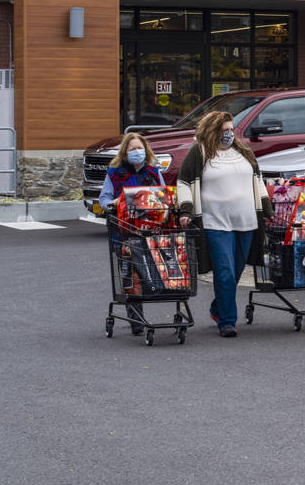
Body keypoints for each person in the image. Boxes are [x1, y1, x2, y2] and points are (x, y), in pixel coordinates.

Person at [175, 112, 271, 337]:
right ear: (213, 130)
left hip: (246, 221)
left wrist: (266, 208)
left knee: (236, 271)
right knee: (225, 272)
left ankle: (218, 307)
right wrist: (186, 210)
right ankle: (227, 321)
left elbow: (258, 180)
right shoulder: (199, 153)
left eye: (231, 129)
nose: (229, 134)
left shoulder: (244, 151)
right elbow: (184, 182)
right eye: (224, 130)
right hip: (215, 222)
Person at [99, 132, 166, 336]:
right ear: (125, 152)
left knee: (153, 271)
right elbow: (104, 198)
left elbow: (163, 195)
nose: (137, 152)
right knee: (131, 274)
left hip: (150, 231)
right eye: (133, 149)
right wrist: (111, 204)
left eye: (140, 148)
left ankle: (160, 298)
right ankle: (136, 318)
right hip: (124, 232)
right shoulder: (115, 173)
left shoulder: (153, 172)